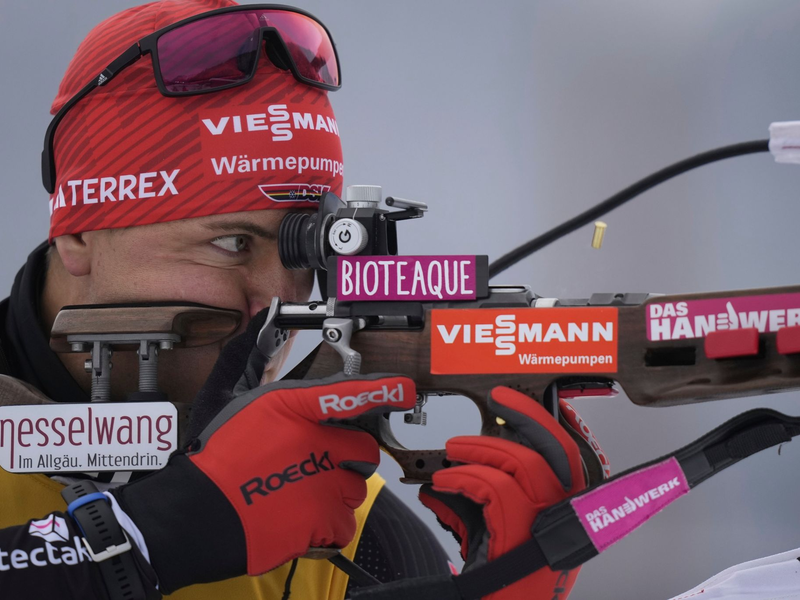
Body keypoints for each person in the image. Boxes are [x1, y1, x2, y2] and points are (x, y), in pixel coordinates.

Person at [0, 1, 590, 598]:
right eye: (231, 243)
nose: (277, 301)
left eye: (303, 254)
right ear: (78, 232)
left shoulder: (344, 519)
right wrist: (164, 531)